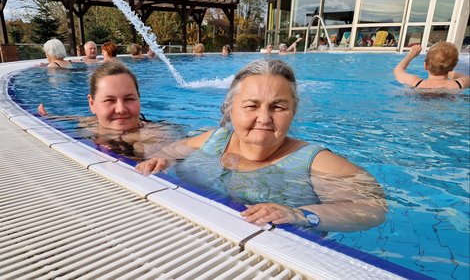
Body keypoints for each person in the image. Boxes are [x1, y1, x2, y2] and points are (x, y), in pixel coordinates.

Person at [136, 59, 387, 232]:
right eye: (251, 105)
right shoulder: (214, 140)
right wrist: (163, 160)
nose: (264, 118)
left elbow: (373, 208)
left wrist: (300, 214)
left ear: (293, 111)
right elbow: (170, 151)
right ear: (231, 110)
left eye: (278, 107)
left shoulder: (314, 161)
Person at [38, 60, 180, 161]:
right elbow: (76, 118)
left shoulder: (155, 133)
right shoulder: (90, 123)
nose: (121, 109)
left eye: (129, 99)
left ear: (139, 99)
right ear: (92, 104)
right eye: (109, 100)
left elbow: (164, 154)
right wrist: (50, 116)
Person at [394, 43, 469, 90]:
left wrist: (411, 54)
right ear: (453, 67)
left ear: (425, 65)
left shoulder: (416, 82)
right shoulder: (460, 83)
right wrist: (447, 68)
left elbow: (398, 70)